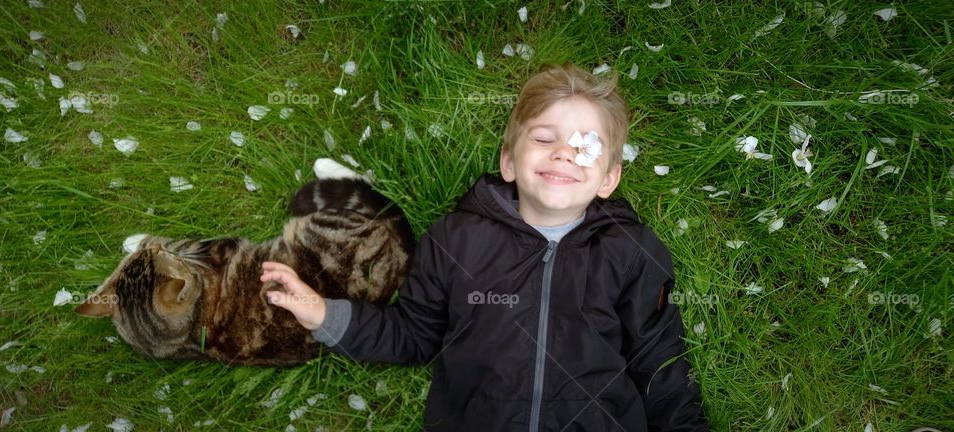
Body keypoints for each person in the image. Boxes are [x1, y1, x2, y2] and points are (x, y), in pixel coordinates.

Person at [262, 63, 709, 431]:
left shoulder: (629, 252)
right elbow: (414, 335)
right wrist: (324, 314)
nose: (564, 154)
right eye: (543, 137)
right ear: (509, 162)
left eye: (586, 146)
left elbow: (661, 362)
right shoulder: (457, 240)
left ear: (609, 179)